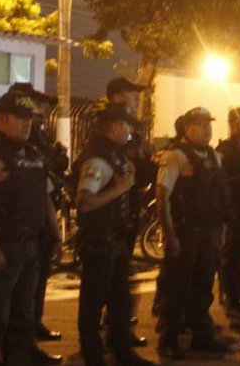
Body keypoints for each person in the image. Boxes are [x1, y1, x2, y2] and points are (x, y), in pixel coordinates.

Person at [0, 90, 60, 366]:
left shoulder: (33, 155)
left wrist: (55, 236)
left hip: (30, 246)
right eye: (19, 117)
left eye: (29, 117)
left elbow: (45, 197)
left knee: (22, 319)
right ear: (2, 119)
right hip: (1, 247)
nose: (26, 123)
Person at [73, 101, 153, 366]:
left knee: (121, 299)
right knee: (94, 302)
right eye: (128, 126)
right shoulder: (97, 158)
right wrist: (119, 189)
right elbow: (84, 201)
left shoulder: (117, 154)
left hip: (115, 240)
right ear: (116, 127)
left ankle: (122, 351)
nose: (131, 131)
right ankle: (92, 355)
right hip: (98, 242)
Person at [154, 108, 234, 360]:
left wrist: (221, 228)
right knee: (177, 286)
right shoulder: (176, 155)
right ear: (187, 129)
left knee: (203, 285)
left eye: (208, 124)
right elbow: (162, 196)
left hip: (209, 231)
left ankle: (202, 335)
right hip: (186, 230)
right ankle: (169, 339)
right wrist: (170, 234)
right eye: (200, 125)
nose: (207, 129)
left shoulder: (214, 156)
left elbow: (220, 194)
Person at [215, 107, 240, 317]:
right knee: (231, 255)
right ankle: (230, 299)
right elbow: (218, 181)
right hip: (233, 210)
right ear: (234, 125)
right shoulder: (225, 149)